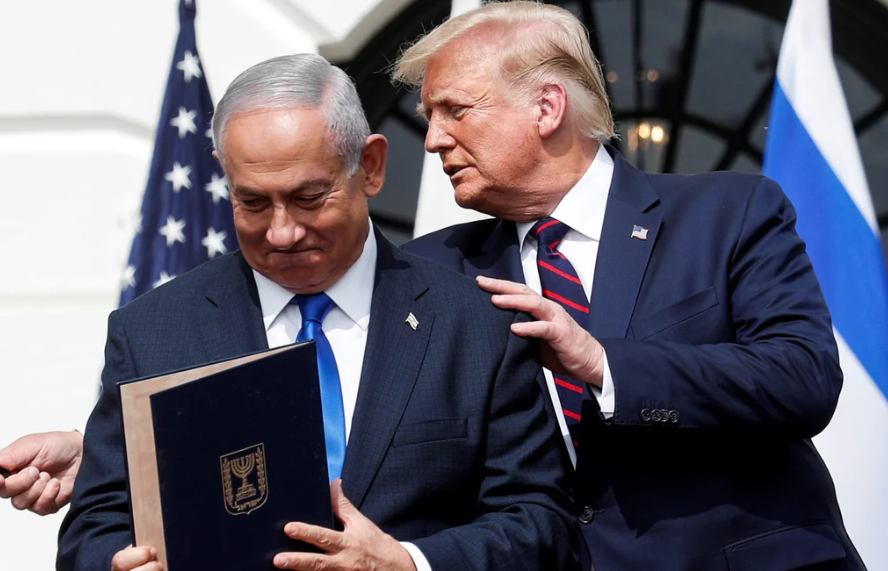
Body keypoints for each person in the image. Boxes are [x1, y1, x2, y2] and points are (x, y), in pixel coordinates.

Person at [55, 53, 577, 571]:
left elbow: (540, 522)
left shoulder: (477, 325)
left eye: (309, 198)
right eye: (253, 203)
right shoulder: (151, 331)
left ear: (370, 167)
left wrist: (408, 564)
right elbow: (96, 526)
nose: (282, 232)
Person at [392, 2, 865, 571]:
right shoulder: (425, 272)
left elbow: (803, 379)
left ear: (547, 107)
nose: (433, 140)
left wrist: (604, 365)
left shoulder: (729, 214)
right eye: (428, 117)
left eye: (455, 111)